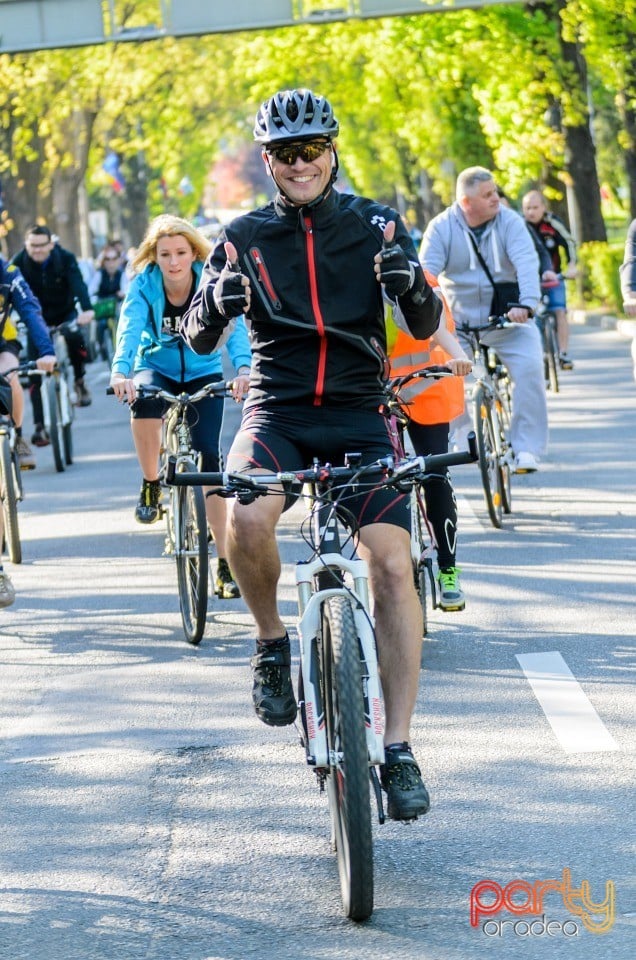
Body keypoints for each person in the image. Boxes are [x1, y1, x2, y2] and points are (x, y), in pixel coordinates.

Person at [181, 88, 443, 822]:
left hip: (362, 412)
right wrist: (215, 304)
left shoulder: (378, 224)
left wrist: (411, 287)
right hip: (279, 410)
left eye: (313, 150)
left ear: (332, 151)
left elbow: (423, 317)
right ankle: (270, 645)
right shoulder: (241, 235)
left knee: (392, 565)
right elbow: (200, 339)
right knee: (245, 517)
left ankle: (397, 748)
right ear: (268, 161)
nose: (301, 164)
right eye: (285, 154)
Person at [109, 214, 252, 600]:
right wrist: (120, 372)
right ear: (154, 256)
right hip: (155, 367)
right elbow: (129, 329)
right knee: (144, 400)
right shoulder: (144, 285)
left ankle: (224, 564)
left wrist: (243, 368)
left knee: (210, 465)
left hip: (203, 371)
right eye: (164, 253)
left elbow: (234, 327)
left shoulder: (210, 282)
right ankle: (151, 482)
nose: (173, 262)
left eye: (180, 253)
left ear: (194, 253)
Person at [420, 166, 547, 474]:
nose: (496, 199)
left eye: (495, 192)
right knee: (447, 373)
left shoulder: (511, 222)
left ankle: (526, 448)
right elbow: (425, 275)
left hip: (507, 319)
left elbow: (527, 264)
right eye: (488, 195)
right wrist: (431, 307)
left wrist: (527, 305)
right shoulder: (441, 228)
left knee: (530, 370)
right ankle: (464, 435)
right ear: (466, 202)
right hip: (459, 325)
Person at [388, 271, 472, 611]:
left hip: (427, 387)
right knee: (374, 477)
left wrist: (458, 355)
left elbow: (437, 326)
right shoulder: (343, 273)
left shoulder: (415, 277)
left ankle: (447, 568)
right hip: (375, 393)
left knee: (435, 474)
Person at [12, 224, 95, 445]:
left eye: (42, 246)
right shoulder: (18, 263)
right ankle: (40, 425)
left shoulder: (65, 258)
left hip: (64, 313)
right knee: (33, 369)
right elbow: (9, 291)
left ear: (51, 244)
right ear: (26, 245)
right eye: (33, 246)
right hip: (35, 320)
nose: (37, 251)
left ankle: (79, 379)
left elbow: (78, 284)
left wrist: (86, 309)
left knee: (76, 339)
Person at [0, 257, 57, 469]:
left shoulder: (9, 273)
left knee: (7, 375)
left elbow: (30, 312)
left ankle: (17, 436)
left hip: (3, 340)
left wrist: (46, 351)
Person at [521, 189, 577, 369]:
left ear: (543, 207)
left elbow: (569, 242)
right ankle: (537, 355)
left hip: (554, 277)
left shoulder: (552, 223)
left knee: (560, 310)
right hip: (530, 280)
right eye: (527, 208)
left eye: (535, 207)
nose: (531, 212)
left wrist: (572, 265)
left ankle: (563, 353)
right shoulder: (519, 226)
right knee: (532, 317)